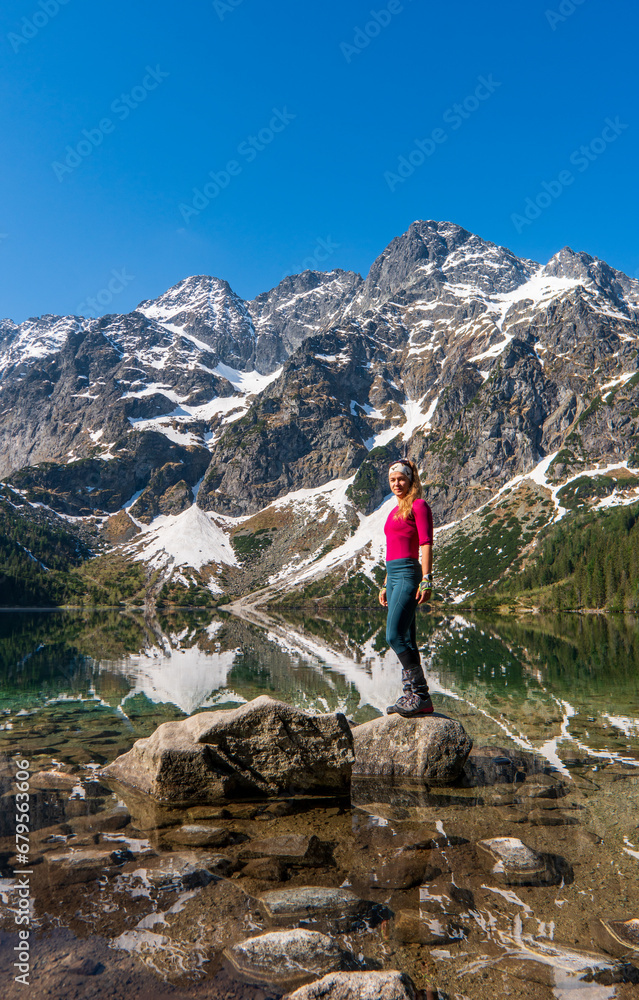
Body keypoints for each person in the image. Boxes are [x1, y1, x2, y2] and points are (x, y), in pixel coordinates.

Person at [379, 458, 434, 717]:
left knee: (394, 636)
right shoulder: (393, 512)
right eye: (392, 480)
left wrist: (427, 578)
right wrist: (385, 582)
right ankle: (411, 696)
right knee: (407, 638)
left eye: (401, 478)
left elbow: (425, 543)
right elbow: (392, 548)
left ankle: (421, 696)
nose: (396, 484)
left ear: (411, 480)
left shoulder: (419, 506)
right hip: (393, 576)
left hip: (409, 575)